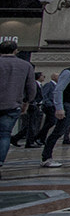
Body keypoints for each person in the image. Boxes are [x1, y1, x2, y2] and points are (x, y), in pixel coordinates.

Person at [0, 41, 35, 179]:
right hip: (12, 105)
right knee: (4, 135)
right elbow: (31, 88)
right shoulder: (25, 65)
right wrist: (27, 102)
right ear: (16, 50)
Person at [31, 73, 59, 150]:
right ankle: (38, 136)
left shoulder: (56, 85)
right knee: (52, 121)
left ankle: (41, 139)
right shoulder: (49, 85)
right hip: (49, 106)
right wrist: (48, 103)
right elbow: (45, 94)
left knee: (48, 123)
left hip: (53, 106)